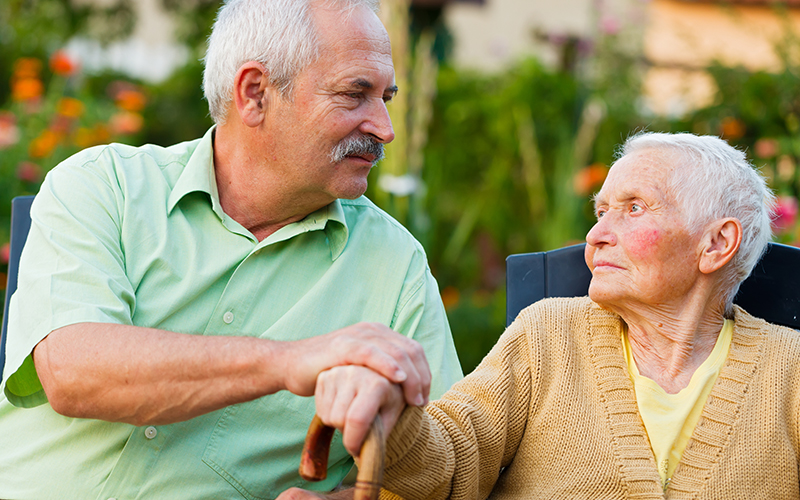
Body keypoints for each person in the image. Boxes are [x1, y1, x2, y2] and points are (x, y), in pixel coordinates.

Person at [0, 0, 462, 498]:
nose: (385, 127)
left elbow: (447, 467)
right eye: (355, 95)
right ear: (255, 94)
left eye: (386, 97)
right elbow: (72, 370)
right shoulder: (103, 185)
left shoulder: (398, 267)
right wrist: (292, 362)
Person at [296, 132, 800, 500]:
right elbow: (451, 460)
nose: (596, 235)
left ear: (716, 244)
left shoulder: (791, 370)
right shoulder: (547, 335)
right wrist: (394, 413)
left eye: (635, 209)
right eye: (601, 212)